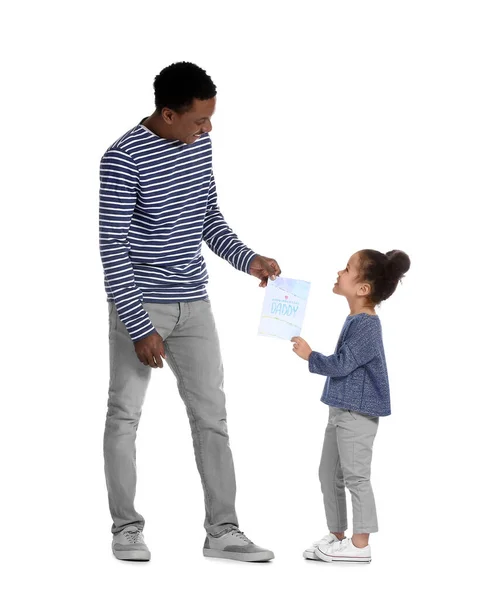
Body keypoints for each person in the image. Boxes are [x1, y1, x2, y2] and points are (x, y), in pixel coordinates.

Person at [99, 61, 280, 562]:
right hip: (142, 305)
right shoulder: (121, 159)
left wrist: (250, 260)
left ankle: (223, 531)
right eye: (199, 120)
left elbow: (208, 218)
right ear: (168, 113)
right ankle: (126, 529)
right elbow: (113, 250)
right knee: (125, 416)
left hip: (195, 304)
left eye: (209, 120)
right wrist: (139, 328)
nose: (208, 129)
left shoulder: (197, 146)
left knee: (212, 418)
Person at [291, 249, 410, 563]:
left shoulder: (368, 325)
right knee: (327, 473)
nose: (339, 272)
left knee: (356, 477)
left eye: (346, 269)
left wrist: (309, 355)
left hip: (357, 413)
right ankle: (338, 535)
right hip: (341, 408)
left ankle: (360, 546)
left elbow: (342, 364)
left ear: (363, 289)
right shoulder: (356, 319)